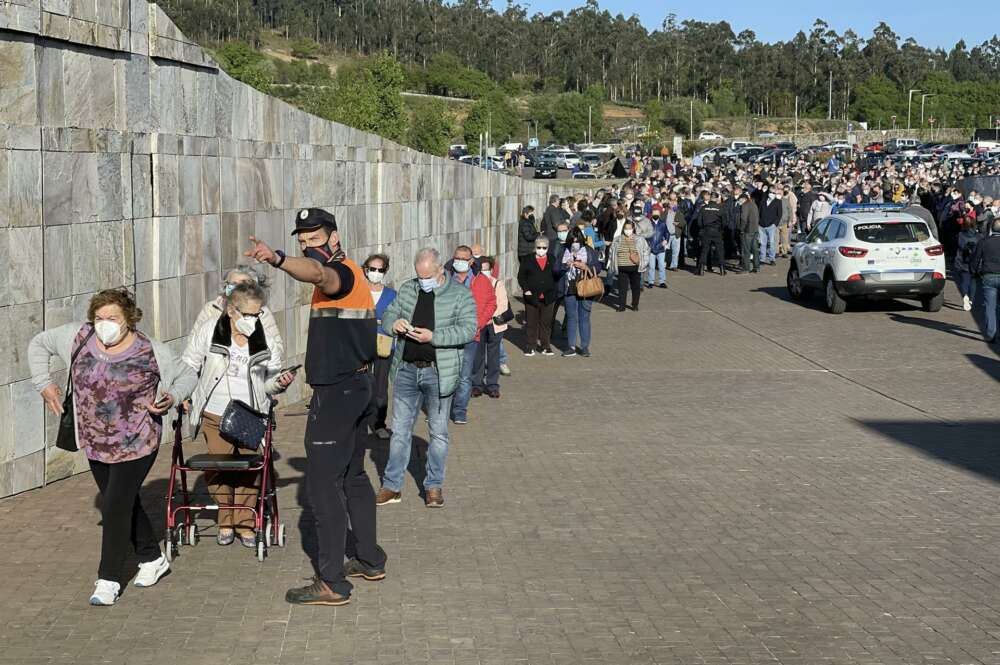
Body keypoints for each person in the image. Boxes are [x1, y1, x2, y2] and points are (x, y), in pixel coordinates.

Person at [244, 207, 386, 606]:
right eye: (302, 240)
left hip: (338, 392)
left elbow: (319, 273)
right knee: (354, 476)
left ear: (334, 238)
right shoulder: (352, 276)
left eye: (316, 237)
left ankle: (331, 581)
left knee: (323, 486)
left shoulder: (339, 274)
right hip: (358, 385)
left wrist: (276, 258)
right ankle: (369, 559)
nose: (308, 244)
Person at [28, 288, 197, 606]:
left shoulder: (150, 350)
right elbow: (39, 344)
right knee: (122, 502)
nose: (104, 324)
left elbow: (187, 374)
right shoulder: (77, 337)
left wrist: (172, 396)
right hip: (95, 442)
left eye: (112, 318)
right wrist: (44, 383)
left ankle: (108, 579)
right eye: (99, 318)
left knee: (114, 507)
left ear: (129, 319)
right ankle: (152, 558)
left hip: (137, 442)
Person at [181, 282, 295, 547]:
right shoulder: (210, 330)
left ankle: (245, 524)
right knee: (218, 468)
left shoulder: (262, 336)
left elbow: (270, 380)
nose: (254, 319)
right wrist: (184, 395)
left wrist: (280, 383)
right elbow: (188, 364)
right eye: (249, 314)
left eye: (258, 314)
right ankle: (225, 520)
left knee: (249, 469)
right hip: (214, 412)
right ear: (231, 311)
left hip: (251, 414)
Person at [377, 248, 478, 507]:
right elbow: (389, 314)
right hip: (406, 370)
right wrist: (394, 324)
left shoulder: (460, 294)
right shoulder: (408, 289)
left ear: (440, 270)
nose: (423, 281)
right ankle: (392, 486)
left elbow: (469, 329)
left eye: (428, 276)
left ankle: (433, 487)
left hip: (439, 372)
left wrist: (434, 337)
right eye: (419, 276)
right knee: (399, 431)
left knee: (439, 432)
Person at [448, 245, 496, 425]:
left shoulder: (480, 280)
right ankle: (441, 409)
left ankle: (460, 410)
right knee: (444, 373)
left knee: (465, 375)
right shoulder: (445, 279)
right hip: (447, 335)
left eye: (463, 259)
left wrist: (479, 323)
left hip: (470, 335)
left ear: (470, 261)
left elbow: (491, 303)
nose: (459, 262)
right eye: (456, 258)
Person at [193, 267, 281, 353]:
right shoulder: (211, 308)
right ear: (225, 286)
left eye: (243, 286)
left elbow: (277, 349)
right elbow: (194, 344)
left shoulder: (262, 312)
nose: (237, 290)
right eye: (233, 284)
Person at [554, 227, 602, 357]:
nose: (575, 244)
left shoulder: (589, 251)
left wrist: (585, 266)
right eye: (572, 241)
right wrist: (565, 265)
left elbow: (598, 267)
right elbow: (556, 269)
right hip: (569, 287)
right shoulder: (564, 251)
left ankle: (585, 347)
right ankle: (571, 346)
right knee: (571, 317)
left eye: (577, 241)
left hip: (585, 287)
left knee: (584, 317)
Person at [364, 254, 397, 439]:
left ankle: (379, 423)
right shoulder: (358, 291)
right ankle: (360, 420)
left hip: (385, 345)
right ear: (366, 270)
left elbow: (397, 316)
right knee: (361, 382)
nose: (376, 273)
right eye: (372, 269)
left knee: (381, 385)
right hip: (361, 345)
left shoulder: (392, 295)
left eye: (380, 270)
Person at [472, 255, 508, 396]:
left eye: (487, 270)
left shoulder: (497, 283)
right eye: (482, 270)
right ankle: (477, 384)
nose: (484, 273)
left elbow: (502, 304)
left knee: (494, 355)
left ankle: (493, 385)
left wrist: (489, 318)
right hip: (480, 324)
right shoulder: (475, 283)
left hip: (494, 324)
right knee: (478, 355)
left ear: (492, 270)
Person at [518, 235, 558, 355]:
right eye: (539, 247)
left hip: (548, 296)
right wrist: (526, 290)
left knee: (546, 323)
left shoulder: (552, 259)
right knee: (531, 322)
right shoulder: (527, 259)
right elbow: (521, 276)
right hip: (531, 296)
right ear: (535, 247)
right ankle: (530, 346)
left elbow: (556, 275)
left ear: (548, 248)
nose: (541, 249)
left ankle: (546, 346)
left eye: (544, 247)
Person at [608, 219, 649, 311]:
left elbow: (646, 251)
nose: (627, 230)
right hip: (621, 267)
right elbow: (611, 252)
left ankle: (635, 305)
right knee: (622, 288)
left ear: (633, 228)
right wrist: (613, 263)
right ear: (623, 229)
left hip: (635, 267)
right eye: (626, 228)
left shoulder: (640, 239)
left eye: (629, 228)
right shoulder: (617, 239)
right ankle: (621, 306)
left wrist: (643, 263)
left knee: (635, 287)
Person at [972, 219, 1000, 342]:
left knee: (990, 306)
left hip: (988, 275)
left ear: (991, 229)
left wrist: (974, 272)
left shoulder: (984, 242)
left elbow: (975, 259)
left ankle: (991, 333)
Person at [954, 217, 981, 311]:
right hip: (975, 261)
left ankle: (965, 295)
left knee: (964, 281)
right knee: (973, 282)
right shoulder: (978, 236)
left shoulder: (960, 234)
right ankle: (971, 300)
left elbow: (956, 246)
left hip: (962, 261)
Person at [697, 192, 725, 276]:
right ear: (716, 198)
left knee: (704, 250)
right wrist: (720, 229)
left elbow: (699, 222)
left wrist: (703, 227)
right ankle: (722, 269)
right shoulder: (720, 208)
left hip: (706, 230)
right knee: (720, 250)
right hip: (717, 231)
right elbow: (724, 222)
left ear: (710, 198)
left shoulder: (703, 208)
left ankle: (701, 269)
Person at [646, 208, 670, 287]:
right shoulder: (648, 223)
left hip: (660, 248)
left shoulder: (662, 223)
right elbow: (646, 235)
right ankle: (650, 282)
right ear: (651, 214)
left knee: (661, 266)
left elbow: (667, 233)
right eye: (654, 213)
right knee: (651, 267)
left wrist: (666, 240)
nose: (655, 215)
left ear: (659, 215)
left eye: (657, 213)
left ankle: (662, 282)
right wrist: (648, 244)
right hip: (651, 248)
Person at [758, 186, 783, 265]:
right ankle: (762, 258)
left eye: (773, 193)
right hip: (761, 225)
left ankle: (772, 259)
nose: (771, 194)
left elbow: (779, 214)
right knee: (763, 243)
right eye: (770, 192)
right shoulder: (763, 201)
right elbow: (759, 212)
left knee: (772, 242)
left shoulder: (778, 202)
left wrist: (774, 224)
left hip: (771, 225)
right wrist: (759, 222)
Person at [738, 192, 761, 273]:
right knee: (755, 249)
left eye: (739, 200)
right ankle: (756, 267)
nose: (739, 202)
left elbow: (743, 219)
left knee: (745, 250)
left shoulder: (745, 205)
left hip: (747, 231)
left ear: (743, 199)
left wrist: (741, 229)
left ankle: (746, 268)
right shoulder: (753, 204)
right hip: (755, 229)